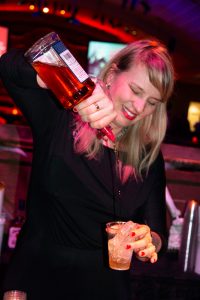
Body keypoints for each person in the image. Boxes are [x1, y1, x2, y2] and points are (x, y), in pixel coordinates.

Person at [0, 38, 175, 300]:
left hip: (108, 288)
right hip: (38, 276)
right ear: (113, 73)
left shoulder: (148, 156)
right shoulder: (62, 116)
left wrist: (149, 240)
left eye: (152, 102)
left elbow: (158, 233)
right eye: (136, 90)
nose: (140, 108)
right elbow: (9, 67)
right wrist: (70, 86)